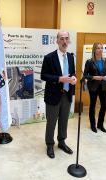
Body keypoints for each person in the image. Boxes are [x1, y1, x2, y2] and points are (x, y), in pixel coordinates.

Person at [40, 31, 77, 159]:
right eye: (62, 39)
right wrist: (59, 79)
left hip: (67, 95)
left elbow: (72, 73)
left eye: (67, 39)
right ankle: (50, 144)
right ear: (57, 41)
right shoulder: (49, 57)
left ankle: (61, 142)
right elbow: (43, 75)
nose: (64, 41)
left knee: (64, 121)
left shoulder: (71, 57)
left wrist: (74, 79)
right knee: (51, 122)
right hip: (53, 96)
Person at [83, 42, 106, 133]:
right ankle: (93, 125)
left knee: (104, 105)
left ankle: (100, 124)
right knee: (93, 106)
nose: (100, 50)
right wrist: (94, 77)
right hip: (93, 87)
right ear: (94, 50)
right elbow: (85, 75)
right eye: (98, 48)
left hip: (103, 86)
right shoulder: (89, 62)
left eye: (101, 48)